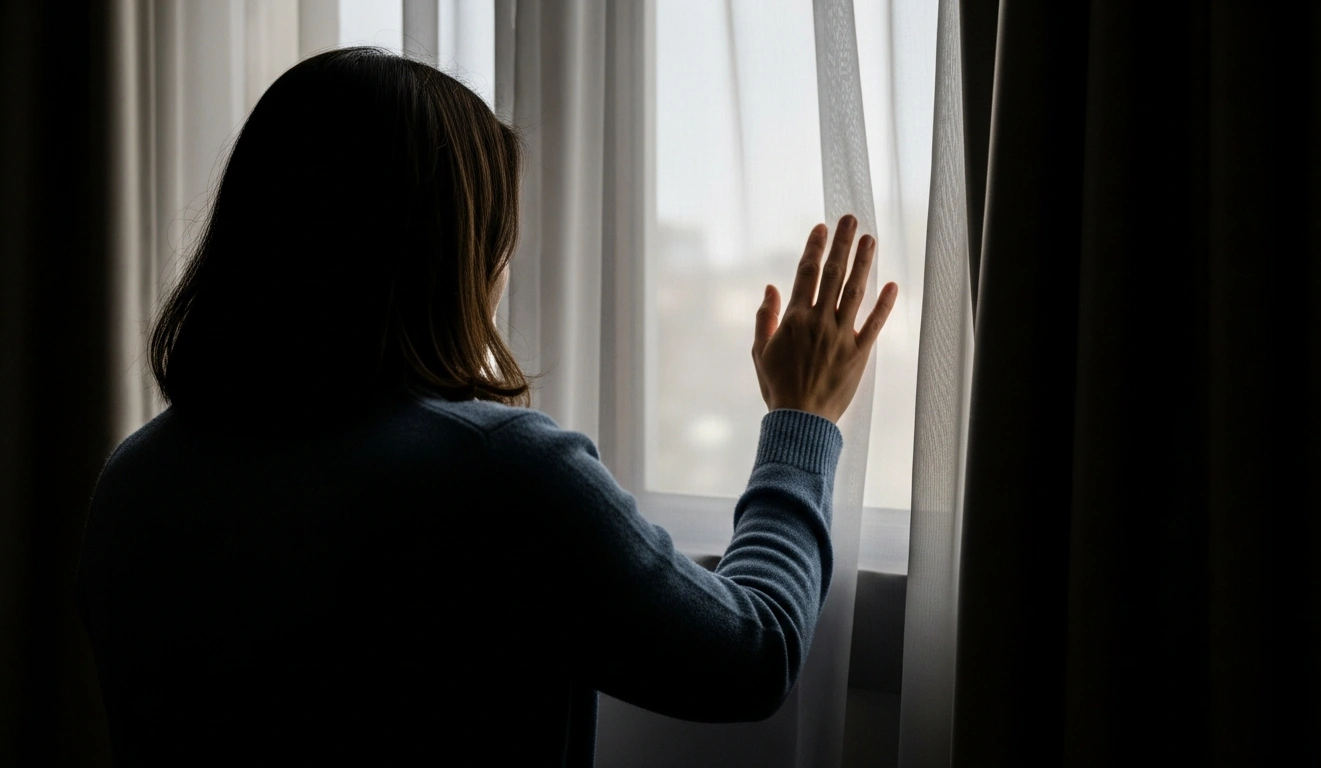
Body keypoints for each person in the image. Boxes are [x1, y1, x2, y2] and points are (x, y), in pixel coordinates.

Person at [75, 47, 897, 766]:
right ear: (448, 258)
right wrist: (803, 422)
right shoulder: (499, 475)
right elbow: (751, 655)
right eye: (495, 236)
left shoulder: (138, 479)